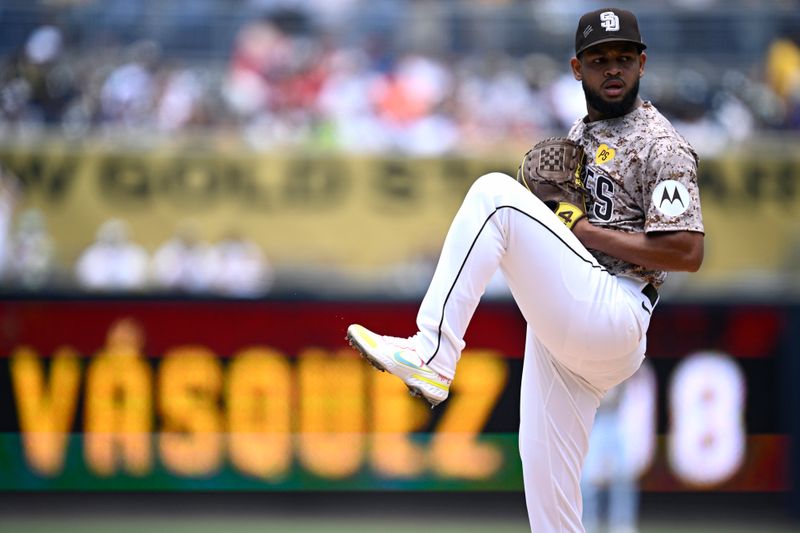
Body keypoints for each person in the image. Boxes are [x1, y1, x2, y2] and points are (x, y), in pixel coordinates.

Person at [346, 7, 704, 532]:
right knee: (550, 511)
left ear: (642, 64)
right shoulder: (581, 133)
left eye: (623, 58)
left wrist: (581, 232)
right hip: (572, 330)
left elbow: (687, 251)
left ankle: (432, 352)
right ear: (577, 68)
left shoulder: (661, 143)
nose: (612, 68)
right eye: (599, 59)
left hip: (617, 309)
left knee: (493, 196)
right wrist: (555, 217)